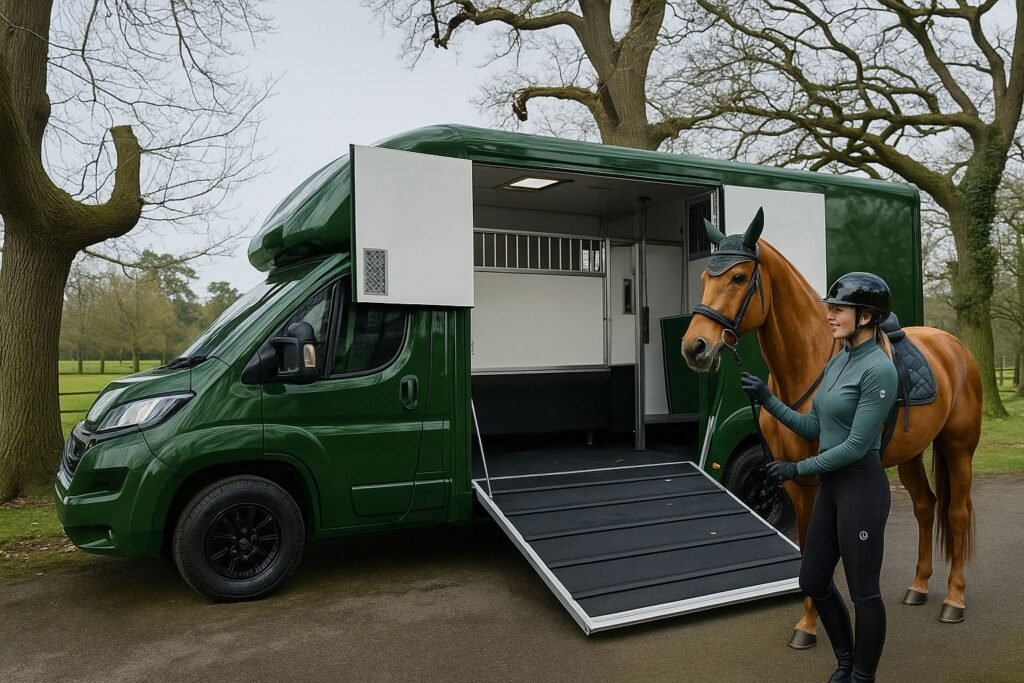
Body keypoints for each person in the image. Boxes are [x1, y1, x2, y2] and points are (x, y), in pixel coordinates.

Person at [740, 272, 898, 683]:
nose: (829, 314)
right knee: (811, 579)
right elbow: (814, 428)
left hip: (861, 487)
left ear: (865, 317)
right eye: (829, 307)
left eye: (838, 309)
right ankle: (845, 661)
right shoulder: (838, 359)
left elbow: (855, 448)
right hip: (832, 487)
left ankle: (863, 676)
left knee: (865, 593)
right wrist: (767, 398)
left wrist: (796, 469)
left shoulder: (879, 370)